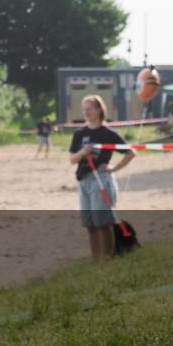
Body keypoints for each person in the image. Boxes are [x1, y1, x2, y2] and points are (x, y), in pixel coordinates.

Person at [68, 95, 136, 262]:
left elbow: (131, 152)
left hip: (101, 180)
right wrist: (84, 152)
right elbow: (72, 159)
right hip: (83, 180)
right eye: (84, 109)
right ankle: (96, 260)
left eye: (89, 108)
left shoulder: (108, 134)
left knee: (103, 224)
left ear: (99, 110)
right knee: (90, 225)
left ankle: (108, 259)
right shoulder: (79, 133)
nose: (86, 112)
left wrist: (114, 168)